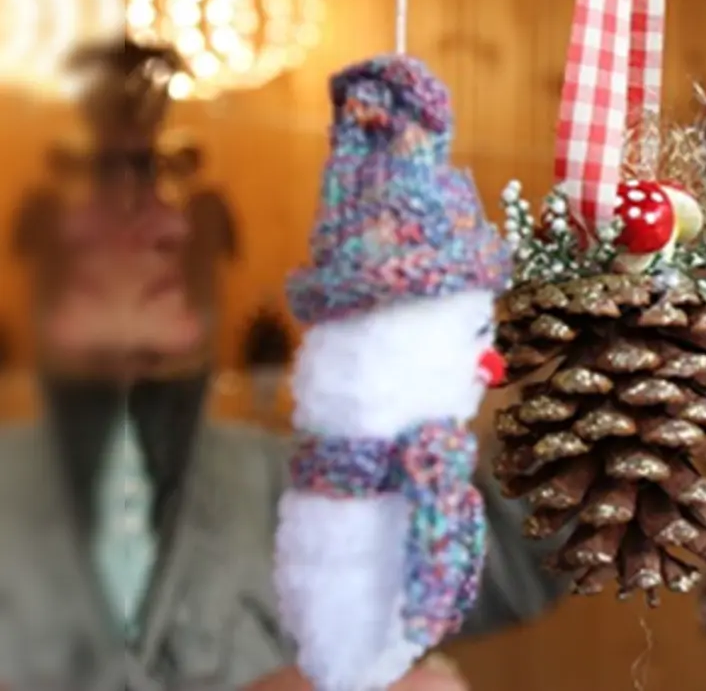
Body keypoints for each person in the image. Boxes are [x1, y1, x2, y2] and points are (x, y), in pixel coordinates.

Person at [0, 40, 565, 690]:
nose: (171, 228)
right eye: (112, 180)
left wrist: (609, 379)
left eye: (169, 177)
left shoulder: (286, 478)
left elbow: (513, 548)